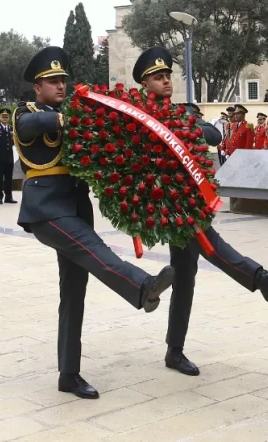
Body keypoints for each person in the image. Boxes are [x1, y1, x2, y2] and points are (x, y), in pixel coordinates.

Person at [16, 46, 175, 399]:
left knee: (74, 293)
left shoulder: (73, 113)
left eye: (63, 80)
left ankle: (68, 374)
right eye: (52, 81)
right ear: (37, 87)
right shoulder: (27, 112)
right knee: (94, 249)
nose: (61, 86)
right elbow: (32, 126)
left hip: (75, 205)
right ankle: (142, 287)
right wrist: (72, 116)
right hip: (46, 207)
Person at [132, 47, 268, 376]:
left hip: (188, 201)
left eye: (168, 76)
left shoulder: (182, 113)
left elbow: (213, 133)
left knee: (185, 278)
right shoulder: (138, 117)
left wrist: (182, 127)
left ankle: (174, 350)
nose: (166, 81)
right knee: (212, 247)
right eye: (158, 77)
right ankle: (263, 281)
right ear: (144, 84)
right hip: (168, 204)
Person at [0, 107, 17, 205]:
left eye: (6, 117)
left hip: (9, 157)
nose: (5, 118)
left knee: (9, 178)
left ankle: (8, 197)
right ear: (0, 117)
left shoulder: (11, 128)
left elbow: (13, 141)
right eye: (3, 117)